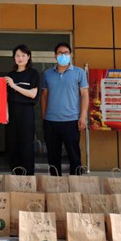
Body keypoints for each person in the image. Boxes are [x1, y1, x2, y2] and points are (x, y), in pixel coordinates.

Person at [41, 42, 89, 176]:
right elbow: (44, 96)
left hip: (72, 120)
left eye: (66, 53)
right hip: (51, 121)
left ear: (70, 55)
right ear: (55, 55)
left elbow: (84, 95)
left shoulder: (79, 72)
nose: (63, 55)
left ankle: (76, 182)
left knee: (74, 156)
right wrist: (44, 117)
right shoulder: (47, 74)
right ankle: (55, 182)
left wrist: (82, 117)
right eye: (60, 53)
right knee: (53, 156)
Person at [5, 44, 40, 175]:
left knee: (26, 146)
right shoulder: (10, 75)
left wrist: (14, 86)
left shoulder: (33, 73)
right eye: (17, 56)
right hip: (12, 113)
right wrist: (5, 113)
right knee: (12, 146)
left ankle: (28, 178)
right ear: (14, 58)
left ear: (28, 57)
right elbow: (5, 97)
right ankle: (15, 177)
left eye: (23, 55)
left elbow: (33, 94)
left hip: (26, 112)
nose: (20, 58)